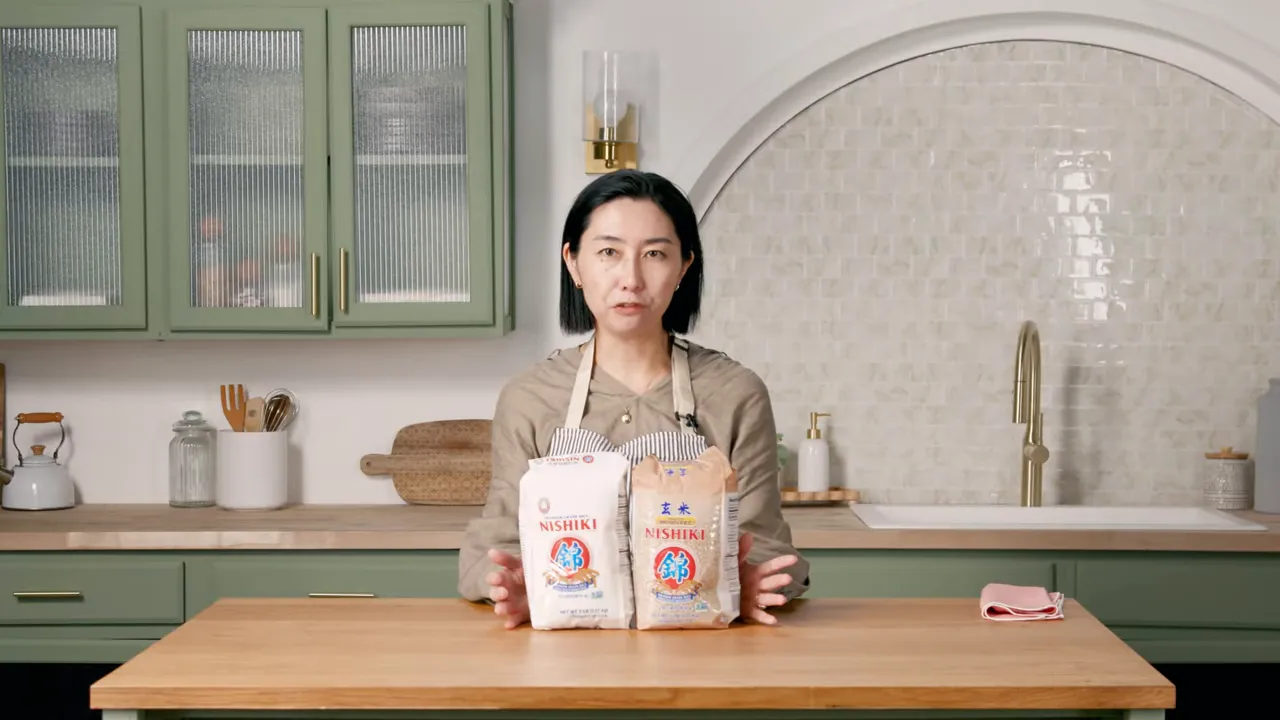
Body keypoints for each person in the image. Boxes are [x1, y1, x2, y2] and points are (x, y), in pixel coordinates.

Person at [456, 169, 810, 628]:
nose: (631, 278)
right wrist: (509, 583)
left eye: (656, 254)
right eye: (608, 252)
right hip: (566, 657)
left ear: (684, 266)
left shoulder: (735, 393)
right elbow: (496, 542)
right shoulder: (529, 398)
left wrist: (746, 580)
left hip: (702, 650)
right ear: (573, 262)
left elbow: (765, 544)